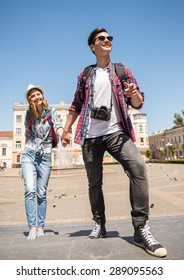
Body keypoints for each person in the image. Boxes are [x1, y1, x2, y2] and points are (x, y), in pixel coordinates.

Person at [61, 27, 167, 257]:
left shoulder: (121, 70)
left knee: (138, 167)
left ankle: (141, 228)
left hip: (116, 132)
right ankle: (99, 224)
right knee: (94, 182)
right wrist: (67, 129)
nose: (107, 40)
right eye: (102, 38)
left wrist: (133, 94)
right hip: (89, 136)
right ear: (93, 46)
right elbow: (76, 104)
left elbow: (138, 102)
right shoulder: (86, 74)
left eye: (110, 38)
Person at [21, 84, 63, 239]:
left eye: (38, 94)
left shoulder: (51, 111)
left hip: (45, 156)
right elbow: (27, 133)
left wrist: (63, 135)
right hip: (29, 154)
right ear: (30, 100)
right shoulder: (28, 114)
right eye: (33, 96)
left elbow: (58, 126)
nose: (36, 97)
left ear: (42, 95)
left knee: (42, 193)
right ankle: (32, 227)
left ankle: (40, 226)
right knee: (30, 190)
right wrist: (23, 151)